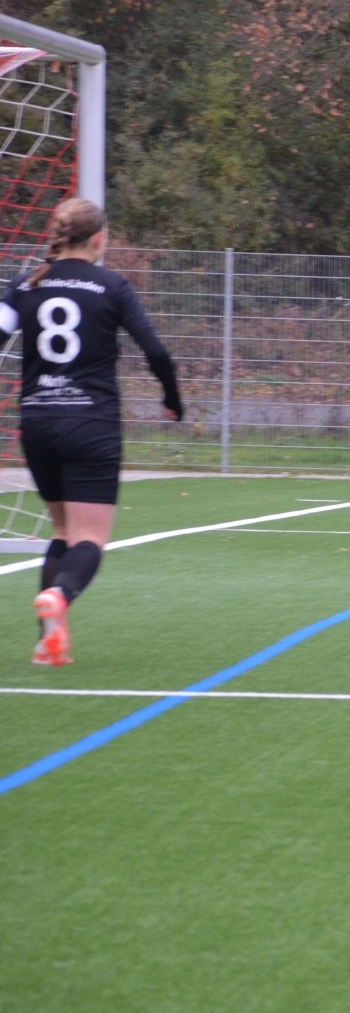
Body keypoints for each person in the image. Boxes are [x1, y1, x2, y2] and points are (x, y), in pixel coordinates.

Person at [0, 198, 183, 666]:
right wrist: (172, 399)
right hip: (91, 425)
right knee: (89, 539)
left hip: (38, 422)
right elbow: (156, 352)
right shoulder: (111, 285)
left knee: (62, 530)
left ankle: (48, 642)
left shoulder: (26, 283)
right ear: (100, 239)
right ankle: (59, 595)